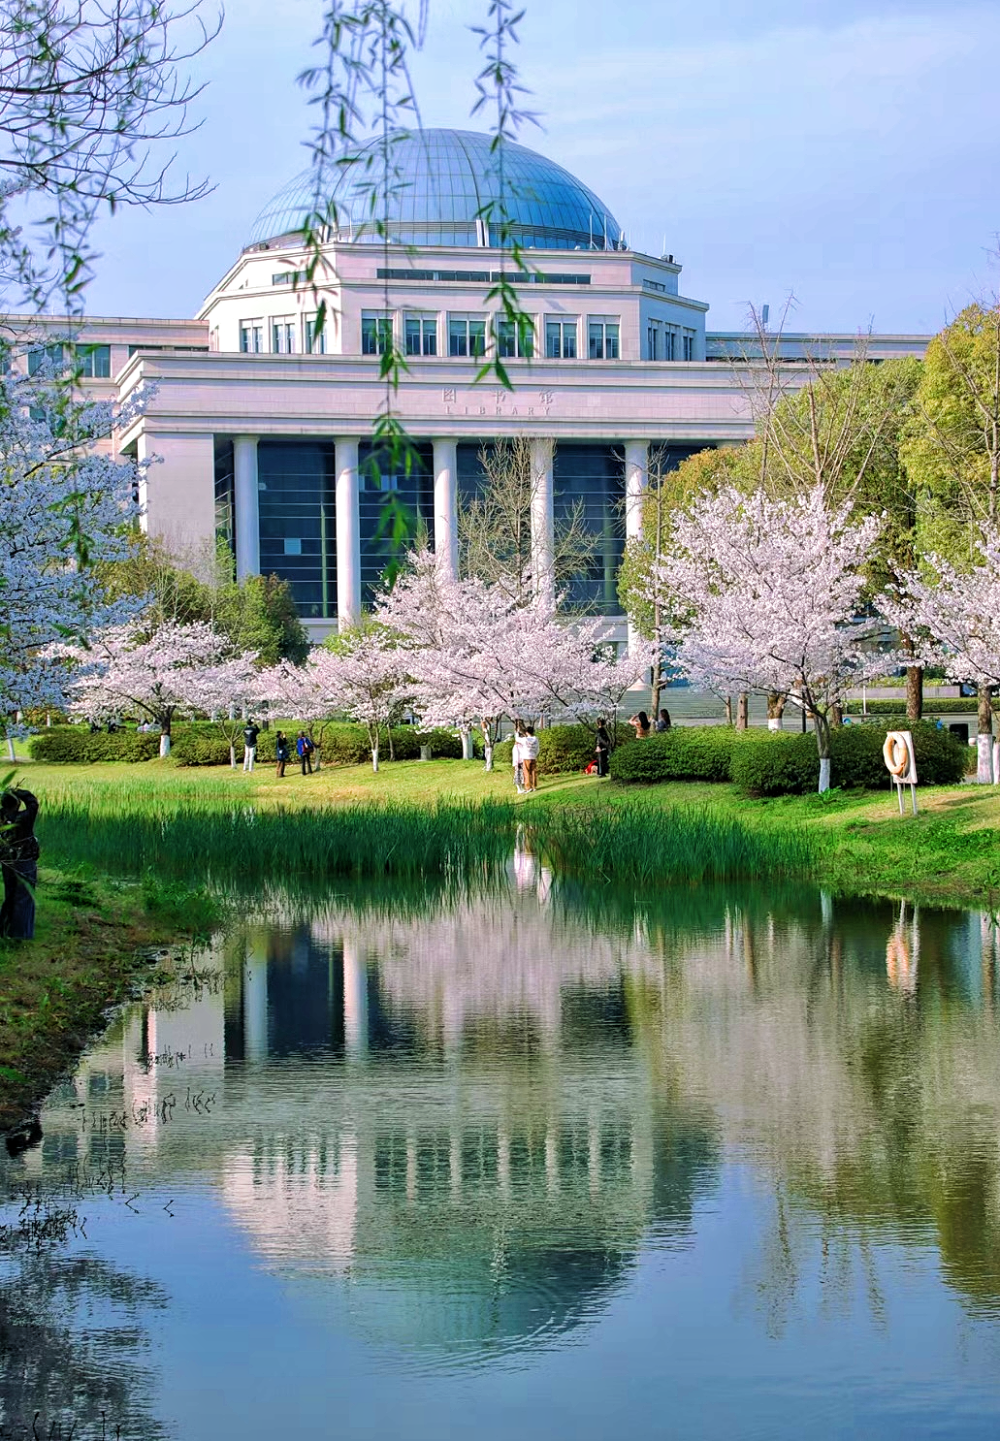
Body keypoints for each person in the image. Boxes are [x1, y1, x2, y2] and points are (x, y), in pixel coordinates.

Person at [0, 788, 39, 940]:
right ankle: (20, 934)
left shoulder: (2, 818)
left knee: (10, 894)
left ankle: (4, 928)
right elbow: (33, 803)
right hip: (24, 860)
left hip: (7, 862)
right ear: (17, 804)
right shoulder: (24, 818)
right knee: (25, 895)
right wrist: (20, 792)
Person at [521, 725, 540, 792]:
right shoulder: (536, 739)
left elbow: (517, 739)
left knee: (527, 772)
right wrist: (535, 755)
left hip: (526, 757)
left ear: (526, 732)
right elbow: (537, 749)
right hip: (533, 757)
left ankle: (528, 787)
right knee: (533, 772)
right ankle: (534, 786)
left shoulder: (525, 739)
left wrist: (517, 732)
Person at [512, 719, 526, 794]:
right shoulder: (517, 746)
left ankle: (521, 788)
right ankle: (519, 789)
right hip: (519, 758)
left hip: (521, 757)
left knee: (521, 773)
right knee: (518, 773)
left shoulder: (520, 744)